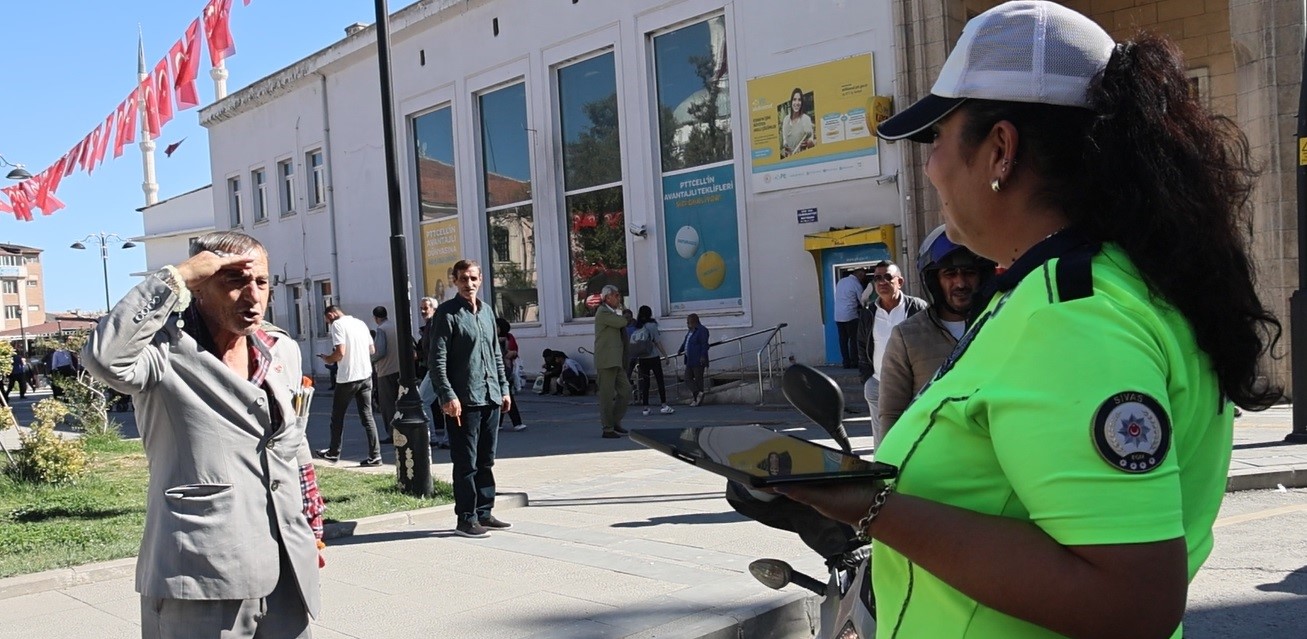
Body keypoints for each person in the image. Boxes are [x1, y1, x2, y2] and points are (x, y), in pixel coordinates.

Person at [777, 3, 1282, 638]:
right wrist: (840, 503)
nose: (929, 166)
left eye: (937, 137)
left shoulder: (1076, 317)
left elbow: (1133, 601)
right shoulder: (1087, 286)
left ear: (1000, 150)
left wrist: (866, 505)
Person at [81, 231, 322, 638]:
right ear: (200, 287)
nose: (253, 296)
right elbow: (104, 359)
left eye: (261, 282)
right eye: (234, 281)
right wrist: (175, 276)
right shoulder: (161, 353)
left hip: (285, 567)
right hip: (201, 573)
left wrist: (312, 526)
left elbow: (292, 442)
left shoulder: (279, 349)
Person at [877, 226, 995, 441]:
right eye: (949, 274)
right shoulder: (907, 336)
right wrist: (890, 469)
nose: (960, 283)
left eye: (969, 273)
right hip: (935, 461)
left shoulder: (1002, 323)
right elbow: (891, 413)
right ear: (935, 281)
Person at [429, 259, 513, 538]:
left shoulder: (487, 311)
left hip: (489, 397)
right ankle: (466, 518)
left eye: (473, 279)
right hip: (463, 401)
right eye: (464, 279)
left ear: (481, 280)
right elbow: (437, 359)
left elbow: (495, 354)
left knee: (486, 460)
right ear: (455, 280)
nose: (469, 284)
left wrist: (503, 388)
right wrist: (447, 394)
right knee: (467, 462)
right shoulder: (447, 313)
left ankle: (485, 512)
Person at [856, 260, 926, 436]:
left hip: (911, 386)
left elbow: (931, 343)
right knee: (882, 441)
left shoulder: (917, 308)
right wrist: (867, 379)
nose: (882, 282)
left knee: (912, 436)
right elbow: (862, 345)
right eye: (877, 278)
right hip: (878, 384)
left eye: (888, 277)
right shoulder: (869, 313)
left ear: (900, 282)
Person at [314, 305, 382, 467]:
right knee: (368, 416)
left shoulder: (338, 325)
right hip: (366, 375)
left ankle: (333, 452)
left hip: (348, 377)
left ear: (332, 314)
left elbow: (340, 352)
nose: (329, 324)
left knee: (337, 416)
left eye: (328, 321)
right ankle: (375, 455)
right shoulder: (360, 323)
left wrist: (328, 359)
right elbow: (372, 349)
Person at [593, 284, 632, 438]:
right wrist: (626, 316)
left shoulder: (613, 312)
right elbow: (622, 322)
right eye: (616, 295)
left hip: (616, 360)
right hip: (606, 360)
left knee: (626, 391)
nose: (619, 298)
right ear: (607, 297)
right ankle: (607, 428)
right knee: (607, 396)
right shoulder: (602, 312)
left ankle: (615, 421)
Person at [416, 296, 449, 449]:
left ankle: (431, 436)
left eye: (426, 308)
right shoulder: (432, 324)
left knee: (422, 401)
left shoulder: (435, 323)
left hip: (437, 367)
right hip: (437, 367)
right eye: (421, 308)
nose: (423, 311)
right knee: (445, 401)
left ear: (434, 309)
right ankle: (446, 438)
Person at [631, 305, 675, 416]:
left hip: (642, 358)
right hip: (653, 357)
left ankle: (645, 408)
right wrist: (665, 355)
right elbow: (657, 342)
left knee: (646, 383)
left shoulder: (638, 326)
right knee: (660, 381)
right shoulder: (652, 325)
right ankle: (664, 405)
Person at [371, 305, 401, 444]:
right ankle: (401, 429)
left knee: (387, 405)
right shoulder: (395, 326)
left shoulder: (381, 329)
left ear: (376, 318)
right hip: (399, 368)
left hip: (386, 370)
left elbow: (380, 351)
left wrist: (369, 360)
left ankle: (392, 433)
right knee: (399, 401)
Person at [833, 268, 867, 369]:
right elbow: (862, 301)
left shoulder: (841, 281)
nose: (863, 278)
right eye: (864, 276)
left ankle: (845, 362)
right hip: (851, 315)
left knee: (843, 340)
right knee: (853, 340)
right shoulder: (856, 284)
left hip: (838, 316)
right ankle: (854, 362)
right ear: (860, 274)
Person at [496, 317, 526, 432]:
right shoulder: (496, 339)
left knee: (506, 395)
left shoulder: (506, 339)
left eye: (497, 326)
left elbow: (510, 353)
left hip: (505, 370)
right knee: (503, 396)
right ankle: (500, 422)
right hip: (500, 370)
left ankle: (516, 422)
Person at [677, 313, 710, 406]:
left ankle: (697, 400)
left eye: (688, 322)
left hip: (698, 359)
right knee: (687, 378)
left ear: (694, 322)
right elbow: (686, 342)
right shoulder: (690, 332)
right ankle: (697, 394)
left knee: (698, 379)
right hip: (689, 359)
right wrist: (680, 349)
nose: (687, 324)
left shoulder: (702, 330)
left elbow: (704, 344)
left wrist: (703, 356)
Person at [780, 87, 815, 159]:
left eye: (799, 100)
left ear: (802, 102)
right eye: (794, 99)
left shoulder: (806, 119)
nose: (797, 103)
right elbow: (784, 141)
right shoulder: (786, 120)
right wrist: (786, 147)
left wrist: (808, 142)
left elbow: (812, 143)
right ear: (791, 101)